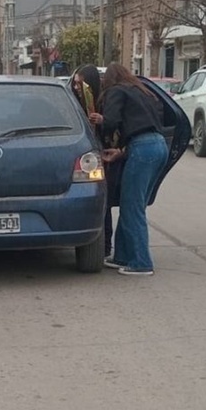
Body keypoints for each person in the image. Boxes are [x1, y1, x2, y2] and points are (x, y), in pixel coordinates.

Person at [100, 63, 167, 276]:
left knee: (132, 206)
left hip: (141, 149)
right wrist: (122, 152)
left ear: (109, 79)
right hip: (158, 146)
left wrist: (101, 122)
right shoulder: (142, 91)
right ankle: (122, 255)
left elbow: (111, 121)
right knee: (133, 204)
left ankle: (141, 262)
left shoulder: (115, 91)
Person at [70, 64, 121, 263]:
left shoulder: (103, 100)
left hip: (106, 155)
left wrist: (101, 121)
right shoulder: (75, 103)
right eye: (74, 84)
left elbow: (114, 125)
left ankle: (105, 246)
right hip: (89, 158)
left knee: (105, 205)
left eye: (79, 84)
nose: (76, 88)